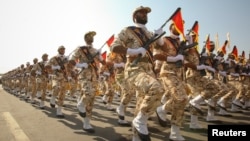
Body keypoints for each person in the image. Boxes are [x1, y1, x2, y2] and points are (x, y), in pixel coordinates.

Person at [110, 6, 165, 141]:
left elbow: (161, 46)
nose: (144, 14)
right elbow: (114, 47)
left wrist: (159, 38)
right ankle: (140, 121)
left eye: (146, 13)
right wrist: (133, 51)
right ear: (135, 16)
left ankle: (136, 136)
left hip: (149, 71)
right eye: (141, 12)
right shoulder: (127, 30)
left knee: (141, 104)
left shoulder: (150, 34)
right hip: (134, 70)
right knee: (157, 88)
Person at [70, 31, 105, 133]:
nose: (91, 38)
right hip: (84, 76)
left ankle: (86, 124)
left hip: (94, 77)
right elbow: (72, 61)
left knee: (91, 100)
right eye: (89, 36)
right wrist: (80, 65)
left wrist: (100, 56)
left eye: (92, 36)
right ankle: (80, 104)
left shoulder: (95, 50)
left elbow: (103, 63)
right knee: (88, 93)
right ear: (85, 38)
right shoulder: (80, 49)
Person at [47, 45, 68, 118]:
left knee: (62, 93)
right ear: (58, 50)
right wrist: (55, 67)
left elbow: (70, 68)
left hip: (63, 77)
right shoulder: (54, 58)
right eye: (61, 49)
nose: (63, 50)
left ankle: (59, 111)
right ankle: (53, 98)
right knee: (56, 88)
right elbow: (47, 66)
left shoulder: (66, 58)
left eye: (64, 49)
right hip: (56, 76)